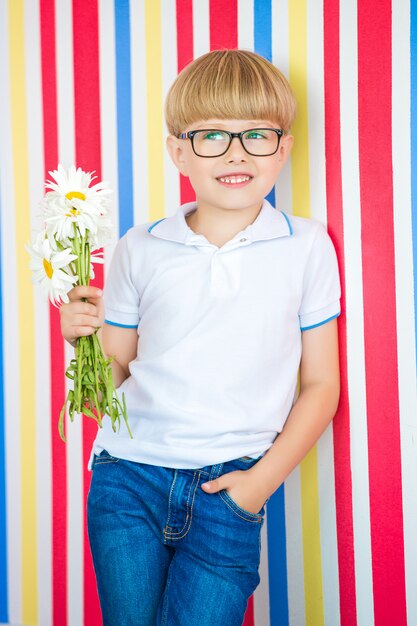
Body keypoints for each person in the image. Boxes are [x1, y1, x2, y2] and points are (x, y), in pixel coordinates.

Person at [60, 49, 340, 626]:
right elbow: (109, 383)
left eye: (257, 134)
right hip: (127, 479)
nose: (236, 152)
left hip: (230, 490)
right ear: (178, 150)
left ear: (283, 148)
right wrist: (79, 341)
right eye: (211, 134)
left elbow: (320, 386)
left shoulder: (306, 245)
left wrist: (254, 489)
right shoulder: (142, 245)